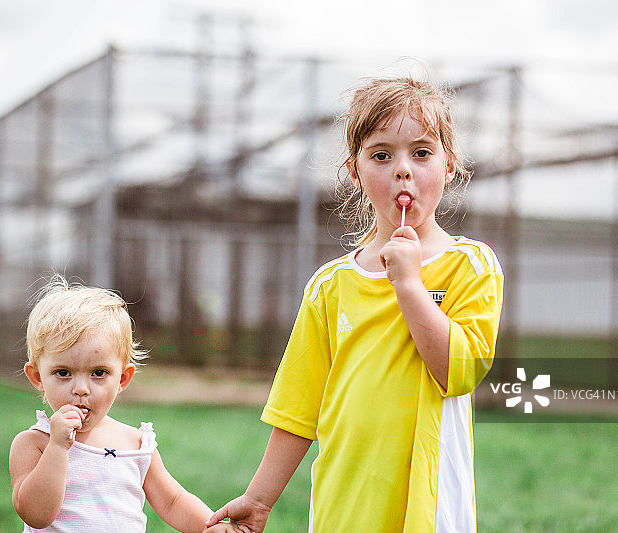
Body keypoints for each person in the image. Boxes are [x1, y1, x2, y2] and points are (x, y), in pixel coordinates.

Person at [205, 74, 504, 532]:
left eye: (422, 152)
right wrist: (259, 499)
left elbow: (458, 371)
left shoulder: (471, 265)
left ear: (450, 167)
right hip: (343, 507)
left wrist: (408, 284)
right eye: (381, 155)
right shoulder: (330, 286)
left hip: (428, 507)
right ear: (355, 173)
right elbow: (297, 409)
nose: (403, 169)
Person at [9, 273, 239, 533]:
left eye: (99, 373)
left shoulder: (136, 444)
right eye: (63, 373)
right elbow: (36, 515)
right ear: (38, 377)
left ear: (122, 378)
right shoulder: (34, 443)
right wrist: (58, 447)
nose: (81, 389)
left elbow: (173, 502)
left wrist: (211, 526)